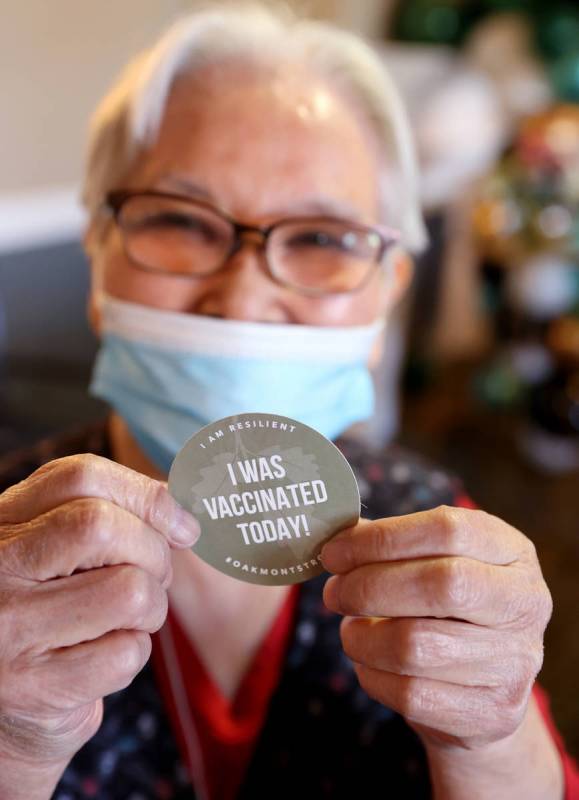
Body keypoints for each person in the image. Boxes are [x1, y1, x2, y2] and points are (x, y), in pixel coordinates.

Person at [0, 4, 577, 799]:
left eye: (322, 238)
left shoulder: (431, 528)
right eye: (179, 220)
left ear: (384, 301)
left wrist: (490, 742)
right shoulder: (10, 541)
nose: (244, 296)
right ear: (98, 266)